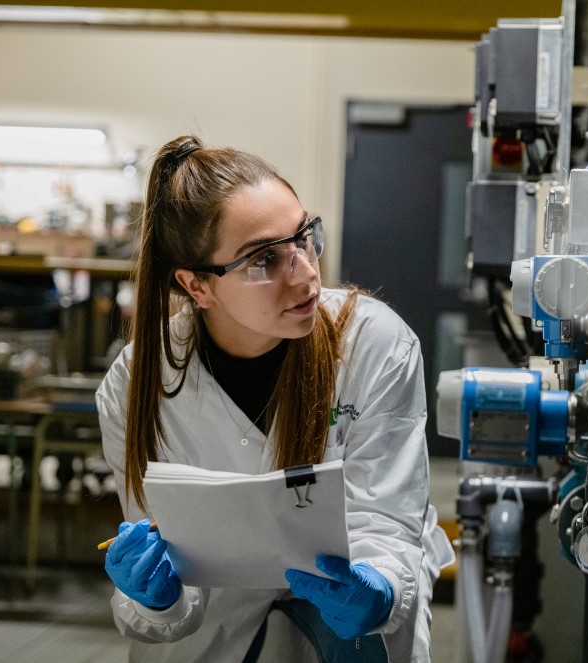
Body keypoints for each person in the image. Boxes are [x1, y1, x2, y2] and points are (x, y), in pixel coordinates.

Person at [95, 135, 455, 662]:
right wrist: (156, 598)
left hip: (350, 593)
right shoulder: (135, 386)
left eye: (305, 237)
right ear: (198, 287)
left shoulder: (374, 344)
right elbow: (169, 569)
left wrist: (378, 592)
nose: (307, 273)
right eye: (265, 259)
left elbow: (385, 515)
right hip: (216, 617)